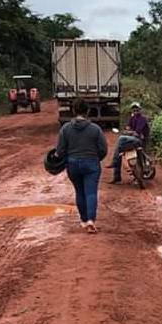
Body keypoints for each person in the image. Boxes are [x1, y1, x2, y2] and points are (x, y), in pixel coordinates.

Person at [56, 98, 107, 233]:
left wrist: (66, 159)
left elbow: (60, 150)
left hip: (73, 164)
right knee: (90, 192)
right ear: (88, 111)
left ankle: (84, 220)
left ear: (73, 110)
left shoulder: (65, 129)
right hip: (91, 164)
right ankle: (91, 220)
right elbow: (103, 150)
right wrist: (96, 159)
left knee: (79, 192)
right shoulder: (95, 129)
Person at [107, 102, 150, 184]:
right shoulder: (132, 118)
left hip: (140, 141)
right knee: (119, 150)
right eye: (134, 109)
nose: (135, 110)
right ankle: (116, 176)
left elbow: (137, 132)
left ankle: (114, 162)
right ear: (132, 110)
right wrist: (128, 131)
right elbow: (128, 127)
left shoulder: (142, 119)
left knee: (120, 139)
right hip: (132, 140)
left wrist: (128, 132)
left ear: (139, 109)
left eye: (137, 109)